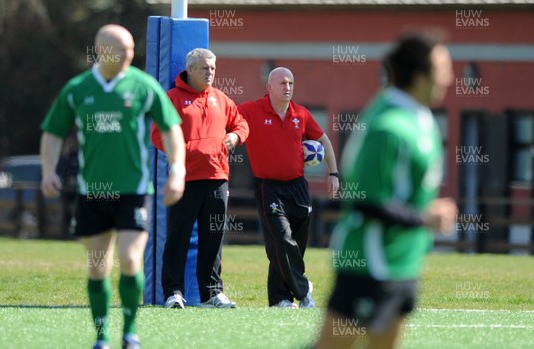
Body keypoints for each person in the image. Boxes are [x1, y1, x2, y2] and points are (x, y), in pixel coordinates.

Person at [40, 24, 186, 349]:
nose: (128, 55)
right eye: (121, 49)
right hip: (91, 192)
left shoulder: (143, 85)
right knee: (97, 267)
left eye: (131, 49)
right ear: (101, 50)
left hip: (133, 191)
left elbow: (172, 128)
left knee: (131, 260)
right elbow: (53, 131)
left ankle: (130, 332)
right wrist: (48, 170)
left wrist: (177, 170)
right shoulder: (78, 89)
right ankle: (102, 336)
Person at [313, 31, 458, 349]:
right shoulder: (387, 127)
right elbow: (364, 201)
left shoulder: (420, 116)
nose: (451, 77)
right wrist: (426, 219)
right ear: (420, 77)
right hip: (369, 263)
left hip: (404, 261)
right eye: (444, 68)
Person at [151, 48, 249, 309]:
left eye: (214, 68)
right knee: (178, 238)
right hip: (185, 179)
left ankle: (211, 294)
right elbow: (157, 135)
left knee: (213, 239)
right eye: (205, 68)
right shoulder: (171, 98)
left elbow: (241, 123)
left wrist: (235, 137)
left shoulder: (221, 98)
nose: (211, 73)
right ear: (191, 69)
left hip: (217, 178)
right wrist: (189, 150)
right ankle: (173, 293)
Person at [237, 67, 339, 308]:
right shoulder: (252, 110)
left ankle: (280, 299)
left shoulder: (301, 114)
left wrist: (333, 172)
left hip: (298, 188)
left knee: (291, 247)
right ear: (269, 87)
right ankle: (303, 290)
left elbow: (323, 140)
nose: (288, 87)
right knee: (282, 240)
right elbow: (228, 115)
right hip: (268, 188)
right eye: (282, 83)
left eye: (291, 83)